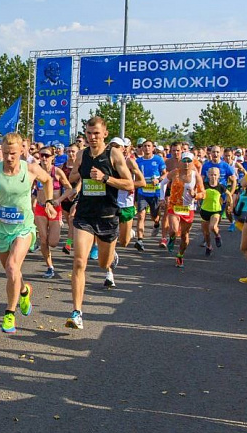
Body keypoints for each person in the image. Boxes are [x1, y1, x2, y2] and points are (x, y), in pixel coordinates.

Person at [0, 133, 55, 333]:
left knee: (12, 267)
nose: (8, 157)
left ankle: (9, 314)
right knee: (11, 272)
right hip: (0, 228)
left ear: (22, 151)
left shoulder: (30, 169)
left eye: (13, 153)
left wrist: (48, 202)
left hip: (23, 227)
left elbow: (47, 180)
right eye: (5, 153)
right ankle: (24, 291)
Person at [65, 117, 134, 329]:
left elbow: (129, 184)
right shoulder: (82, 154)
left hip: (107, 217)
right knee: (79, 262)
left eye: (96, 133)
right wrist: (74, 181)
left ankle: (111, 259)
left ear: (104, 134)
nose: (92, 137)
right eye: (88, 133)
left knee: (103, 263)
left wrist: (105, 178)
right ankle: (77, 312)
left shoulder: (113, 154)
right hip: (85, 216)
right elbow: (75, 176)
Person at [33, 146, 73, 279]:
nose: (44, 158)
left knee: (53, 242)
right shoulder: (36, 171)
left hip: (55, 209)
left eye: (47, 155)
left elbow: (69, 188)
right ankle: (50, 267)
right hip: (40, 208)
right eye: (41, 155)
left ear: (52, 157)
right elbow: (30, 188)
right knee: (43, 239)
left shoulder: (57, 172)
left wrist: (59, 200)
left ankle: (54, 233)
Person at [164, 152, 205, 268]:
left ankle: (180, 255)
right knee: (173, 229)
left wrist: (195, 195)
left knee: (185, 237)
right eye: (184, 161)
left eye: (189, 161)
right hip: (174, 206)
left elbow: (203, 193)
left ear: (192, 163)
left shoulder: (196, 176)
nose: (186, 163)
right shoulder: (174, 173)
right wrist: (163, 198)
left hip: (188, 209)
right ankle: (172, 237)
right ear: (181, 162)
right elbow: (163, 183)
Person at [134, 139, 167, 252]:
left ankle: (156, 224)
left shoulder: (158, 159)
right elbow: (135, 176)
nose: (147, 148)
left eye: (149, 146)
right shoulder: (138, 161)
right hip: (142, 192)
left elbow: (165, 174)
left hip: (155, 192)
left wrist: (159, 180)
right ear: (142, 148)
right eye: (145, 146)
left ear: (153, 148)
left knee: (154, 216)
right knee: (141, 216)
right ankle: (140, 240)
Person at [201, 167, 226, 256]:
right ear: (208, 175)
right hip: (204, 210)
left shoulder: (221, 187)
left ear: (218, 176)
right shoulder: (204, 185)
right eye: (211, 175)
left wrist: (230, 204)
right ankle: (209, 246)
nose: (213, 177)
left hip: (216, 211)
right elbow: (198, 193)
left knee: (213, 227)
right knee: (206, 233)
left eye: (215, 175)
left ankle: (217, 236)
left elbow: (228, 194)